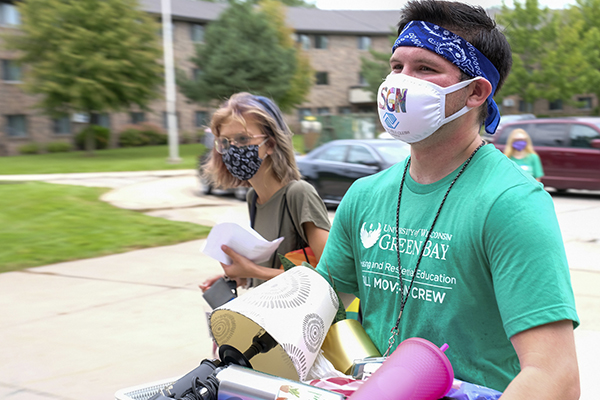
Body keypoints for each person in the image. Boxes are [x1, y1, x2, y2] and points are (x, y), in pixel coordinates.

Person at [315, 1, 580, 398]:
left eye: (425, 69)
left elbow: (554, 376)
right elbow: (315, 309)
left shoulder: (511, 202)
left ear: (475, 92)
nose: (400, 83)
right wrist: (250, 328)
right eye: (396, 67)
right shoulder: (364, 195)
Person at [199, 92, 330, 290]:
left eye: (243, 139)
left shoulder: (299, 194)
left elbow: (331, 274)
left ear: (270, 144)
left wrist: (253, 271)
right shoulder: (254, 198)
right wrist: (239, 277)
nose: (233, 149)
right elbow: (271, 271)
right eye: (225, 142)